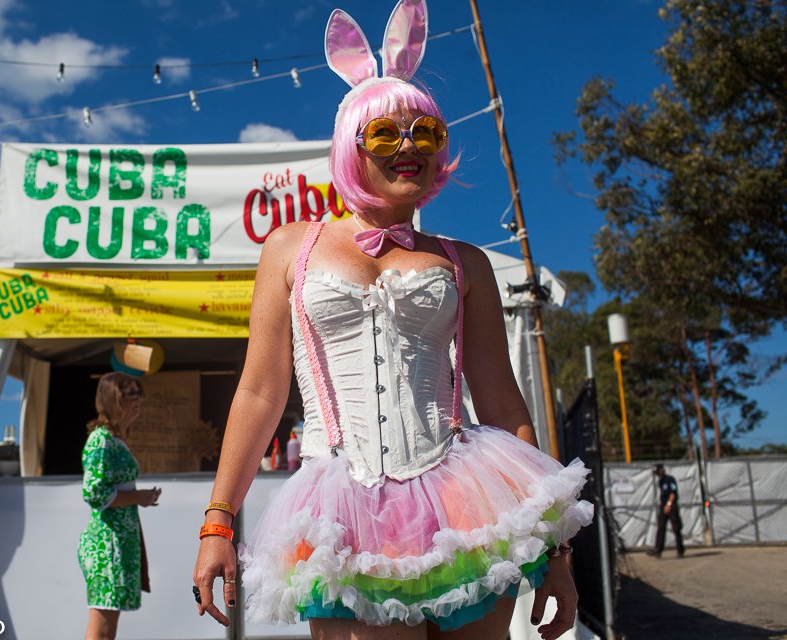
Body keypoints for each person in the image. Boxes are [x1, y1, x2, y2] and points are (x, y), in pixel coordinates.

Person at [192, 2, 593, 639]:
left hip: (468, 505)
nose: (409, 148)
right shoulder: (289, 247)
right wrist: (218, 520)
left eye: (425, 134)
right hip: (343, 515)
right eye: (386, 134)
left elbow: (501, 400)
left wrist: (556, 552)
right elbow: (260, 392)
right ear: (351, 145)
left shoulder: (466, 264)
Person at [78, 372, 161, 640]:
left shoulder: (114, 440)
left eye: (139, 394)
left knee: (107, 629)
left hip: (116, 542)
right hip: (107, 544)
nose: (139, 400)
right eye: (131, 394)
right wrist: (140, 497)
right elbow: (94, 494)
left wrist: (140, 498)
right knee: (102, 630)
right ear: (114, 398)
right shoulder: (101, 440)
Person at [650, 464, 685, 558]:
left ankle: (680, 550)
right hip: (663, 506)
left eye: (658, 472)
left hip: (671, 506)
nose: (657, 474)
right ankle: (658, 549)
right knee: (661, 527)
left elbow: (673, 493)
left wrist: (669, 504)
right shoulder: (660, 481)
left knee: (676, 528)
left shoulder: (669, 479)